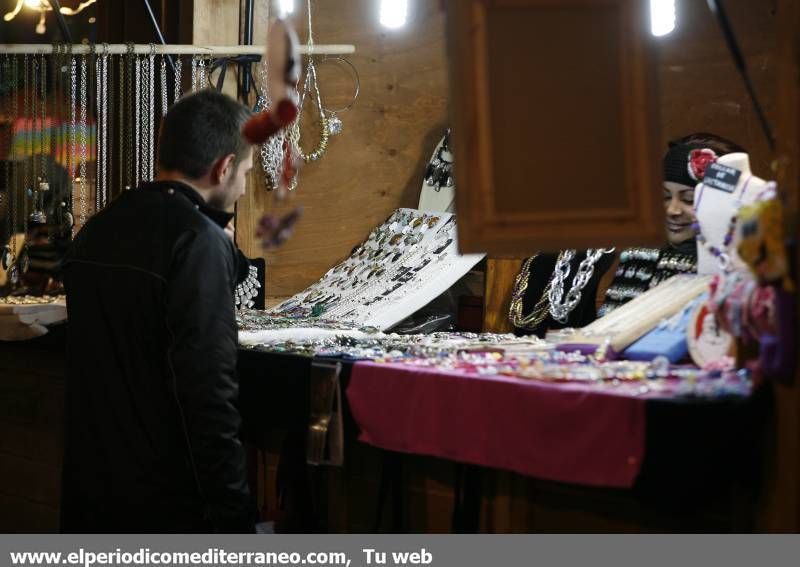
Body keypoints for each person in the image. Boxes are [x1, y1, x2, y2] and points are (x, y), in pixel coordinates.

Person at [60, 89, 256, 533]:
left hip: (91, 498)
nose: (244, 185)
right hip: (166, 508)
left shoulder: (98, 227)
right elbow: (208, 394)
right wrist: (236, 519)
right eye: (245, 172)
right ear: (224, 167)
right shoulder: (196, 242)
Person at [599, 132, 745, 315]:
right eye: (665, 196)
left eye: (689, 199)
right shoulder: (641, 254)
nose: (672, 210)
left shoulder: (736, 268)